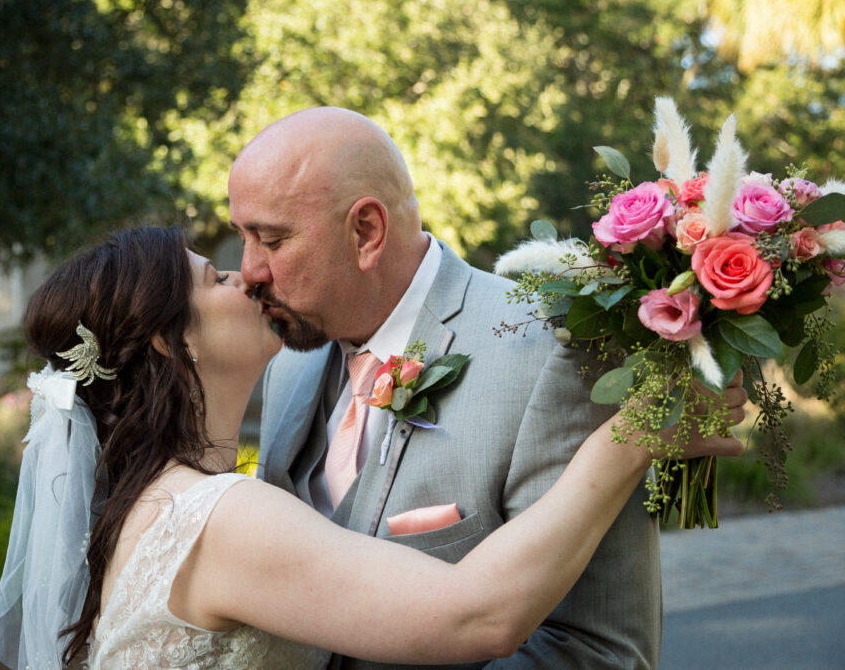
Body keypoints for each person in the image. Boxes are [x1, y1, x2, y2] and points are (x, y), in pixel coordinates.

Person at [0, 226, 745, 669]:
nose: (247, 275)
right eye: (215, 276)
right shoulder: (216, 517)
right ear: (169, 338)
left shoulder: (145, 506)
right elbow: (476, 615)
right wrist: (632, 436)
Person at [230, 106, 671, 669]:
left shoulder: (549, 352)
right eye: (244, 236)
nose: (248, 270)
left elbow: (599, 650)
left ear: (366, 231)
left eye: (271, 239)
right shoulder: (291, 360)